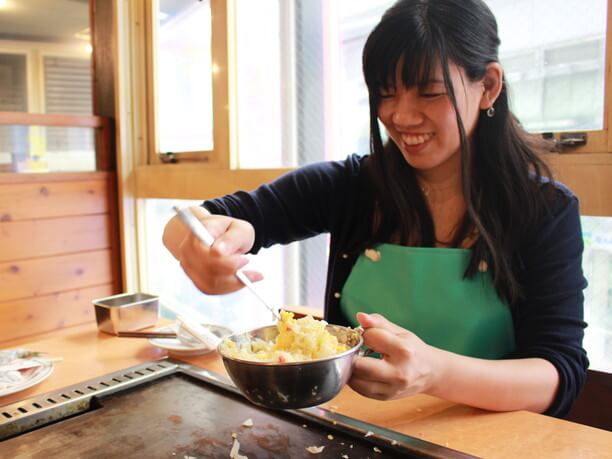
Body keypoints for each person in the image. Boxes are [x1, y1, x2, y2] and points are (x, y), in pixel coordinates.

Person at [163, 0, 588, 418]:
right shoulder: (349, 188)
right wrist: (203, 246)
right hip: (355, 432)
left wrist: (435, 373)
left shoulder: (545, 210)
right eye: (385, 93)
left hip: (489, 442)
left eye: (431, 93)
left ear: (488, 86)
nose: (400, 115)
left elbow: (557, 375)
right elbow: (190, 221)